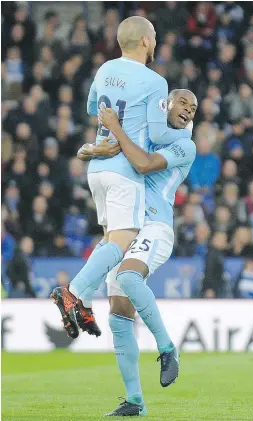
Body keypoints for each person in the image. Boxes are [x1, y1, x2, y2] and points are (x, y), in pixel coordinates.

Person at [51, 16, 193, 339]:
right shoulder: (155, 82)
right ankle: (73, 292)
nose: (155, 42)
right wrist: (185, 141)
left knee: (108, 240)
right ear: (145, 41)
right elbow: (158, 132)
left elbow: (92, 108)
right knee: (124, 239)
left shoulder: (104, 71)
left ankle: (83, 303)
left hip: (97, 168)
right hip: (124, 172)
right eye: (154, 37)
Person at [76, 89, 198, 416]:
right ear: (165, 105)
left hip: (155, 226)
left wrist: (116, 128)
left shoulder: (185, 145)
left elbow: (143, 165)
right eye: (183, 102)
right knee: (118, 316)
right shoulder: (145, 133)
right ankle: (135, 401)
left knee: (129, 278)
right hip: (125, 227)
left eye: (194, 107)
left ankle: (169, 348)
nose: (189, 110)